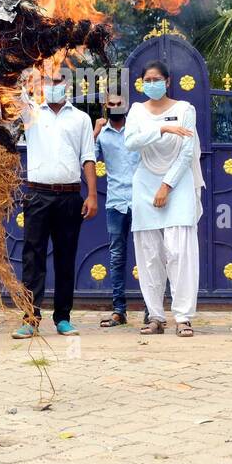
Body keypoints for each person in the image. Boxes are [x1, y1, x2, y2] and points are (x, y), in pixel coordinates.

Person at [11, 66, 97, 339]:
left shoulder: (81, 118)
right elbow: (13, 93)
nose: (53, 85)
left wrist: (92, 195)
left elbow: (88, 157)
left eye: (58, 81)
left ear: (68, 84)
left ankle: (63, 317)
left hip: (69, 196)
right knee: (32, 258)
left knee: (65, 257)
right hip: (37, 195)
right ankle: (30, 318)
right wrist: (25, 76)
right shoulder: (31, 112)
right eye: (48, 81)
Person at [123, 61, 203, 337]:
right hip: (145, 182)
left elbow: (187, 151)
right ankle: (155, 316)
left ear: (168, 81)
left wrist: (166, 186)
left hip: (178, 183)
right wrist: (161, 129)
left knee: (179, 252)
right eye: (147, 79)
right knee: (148, 255)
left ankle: (183, 317)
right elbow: (130, 142)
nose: (152, 83)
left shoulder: (184, 110)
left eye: (157, 78)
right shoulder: (136, 110)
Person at [94, 91, 140, 327]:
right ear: (105, 107)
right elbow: (88, 159)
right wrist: (94, 132)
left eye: (119, 104)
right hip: (115, 202)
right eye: (111, 104)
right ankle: (118, 310)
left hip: (141, 201)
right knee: (116, 256)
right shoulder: (102, 134)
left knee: (147, 256)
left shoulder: (136, 129)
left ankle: (150, 311)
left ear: (127, 106)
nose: (115, 107)